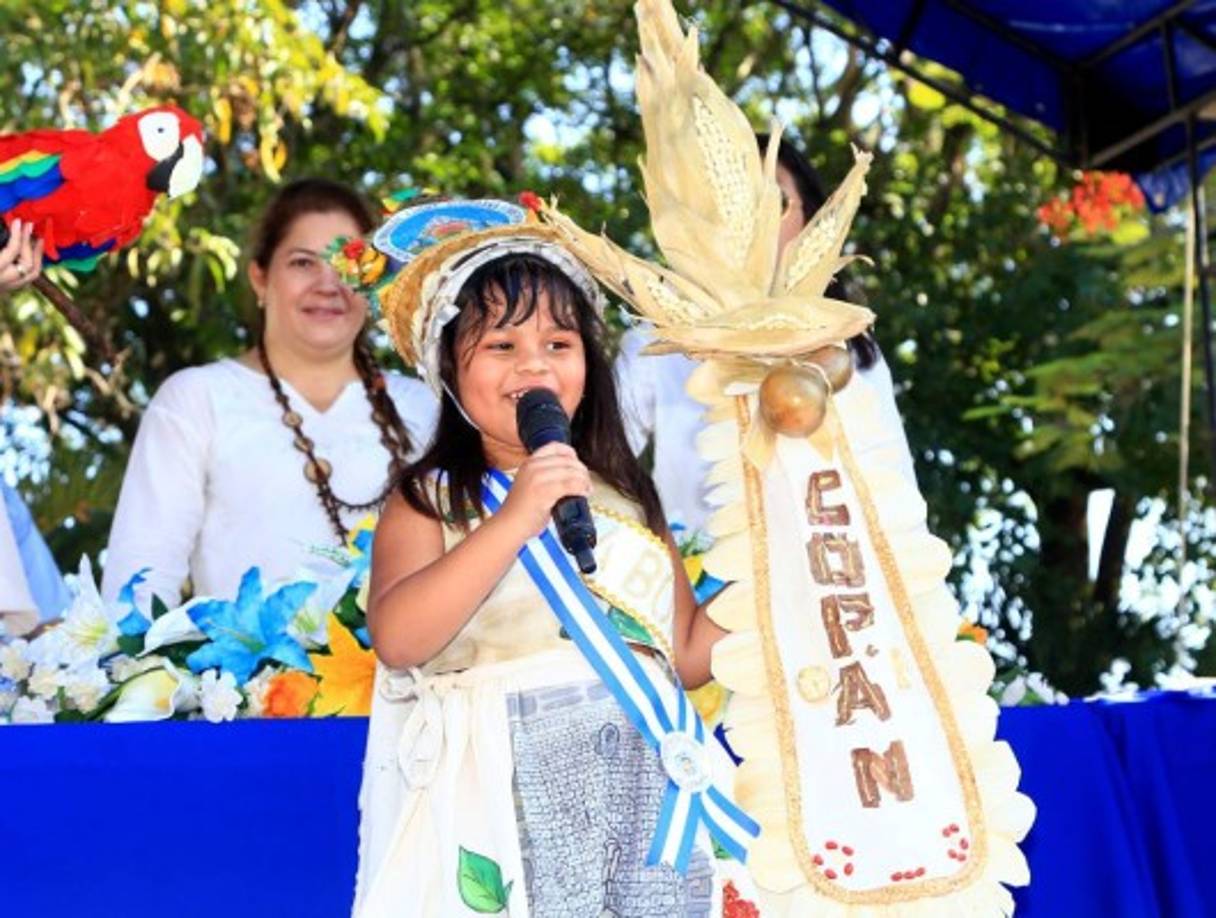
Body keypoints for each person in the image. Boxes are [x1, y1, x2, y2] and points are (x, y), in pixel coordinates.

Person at [354, 200, 757, 916]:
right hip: (501, 778)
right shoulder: (431, 498)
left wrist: (770, 576)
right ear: (448, 366)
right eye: (501, 347)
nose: (534, 364)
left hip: (646, 774)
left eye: (559, 344)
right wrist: (514, 518)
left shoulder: (628, 495)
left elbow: (688, 653)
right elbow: (400, 638)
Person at [101, 179, 438, 605]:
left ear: (373, 283)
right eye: (303, 263)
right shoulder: (196, 399)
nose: (328, 284)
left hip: (405, 670)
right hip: (240, 672)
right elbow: (137, 588)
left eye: (349, 264)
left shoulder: (426, 406)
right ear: (260, 279)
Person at [615, 133, 917, 539]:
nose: (752, 224)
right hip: (701, 594)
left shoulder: (855, 348)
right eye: (730, 207)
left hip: (840, 588)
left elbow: (897, 492)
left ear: (812, 220)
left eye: (771, 202)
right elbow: (601, 470)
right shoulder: (657, 341)